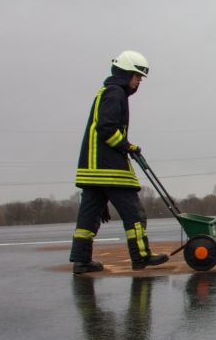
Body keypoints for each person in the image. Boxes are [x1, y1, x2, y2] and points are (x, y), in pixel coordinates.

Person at [69, 50, 169, 274]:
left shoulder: (106, 91)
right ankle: (141, 256)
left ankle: (81, 261)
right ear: (125, 73)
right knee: (134, 214)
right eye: (137, 76)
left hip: (92, 170)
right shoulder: (116, 93)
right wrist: (127, 146)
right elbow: (106, 128)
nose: (139, 81)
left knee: (89, 217)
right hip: (109, 168)